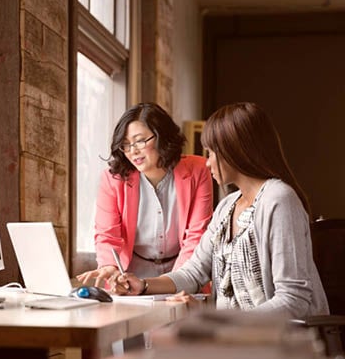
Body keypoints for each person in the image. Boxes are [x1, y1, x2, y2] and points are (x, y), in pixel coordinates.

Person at [113, 102, 329, 319]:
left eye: (213, 152)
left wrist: (218, 319)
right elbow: (194, 272)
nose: (207, 163)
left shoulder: (279, 200)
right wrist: (142, 285)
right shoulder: (227, 206)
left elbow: (293, 299)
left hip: (279, 344)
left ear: (237, 151)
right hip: (235, 341)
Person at [77, 102, 214, 291]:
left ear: (162, 137)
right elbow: (107, 235)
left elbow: (197, 235)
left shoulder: (198, 170)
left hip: (183, 270)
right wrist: (110, 266)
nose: (132, 151)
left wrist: (175, 282)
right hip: (133, 276)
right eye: (125, 145)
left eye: (140, 141)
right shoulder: (113, 179)